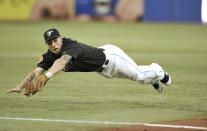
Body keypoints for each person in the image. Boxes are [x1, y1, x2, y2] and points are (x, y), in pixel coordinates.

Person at [6, 28, 171, 96]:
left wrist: (47, 76)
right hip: (103, 70)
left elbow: (61, 63)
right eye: (50, 43)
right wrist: (20, 86)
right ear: (47, 45)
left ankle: (158, 71)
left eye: (56, 40)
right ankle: (154, 79)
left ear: (61, 39)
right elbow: (35, 72)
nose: (54, 45)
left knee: (138, 75)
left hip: (112, 57)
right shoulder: (49, 55)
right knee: (138, 79)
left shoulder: (71, 45)